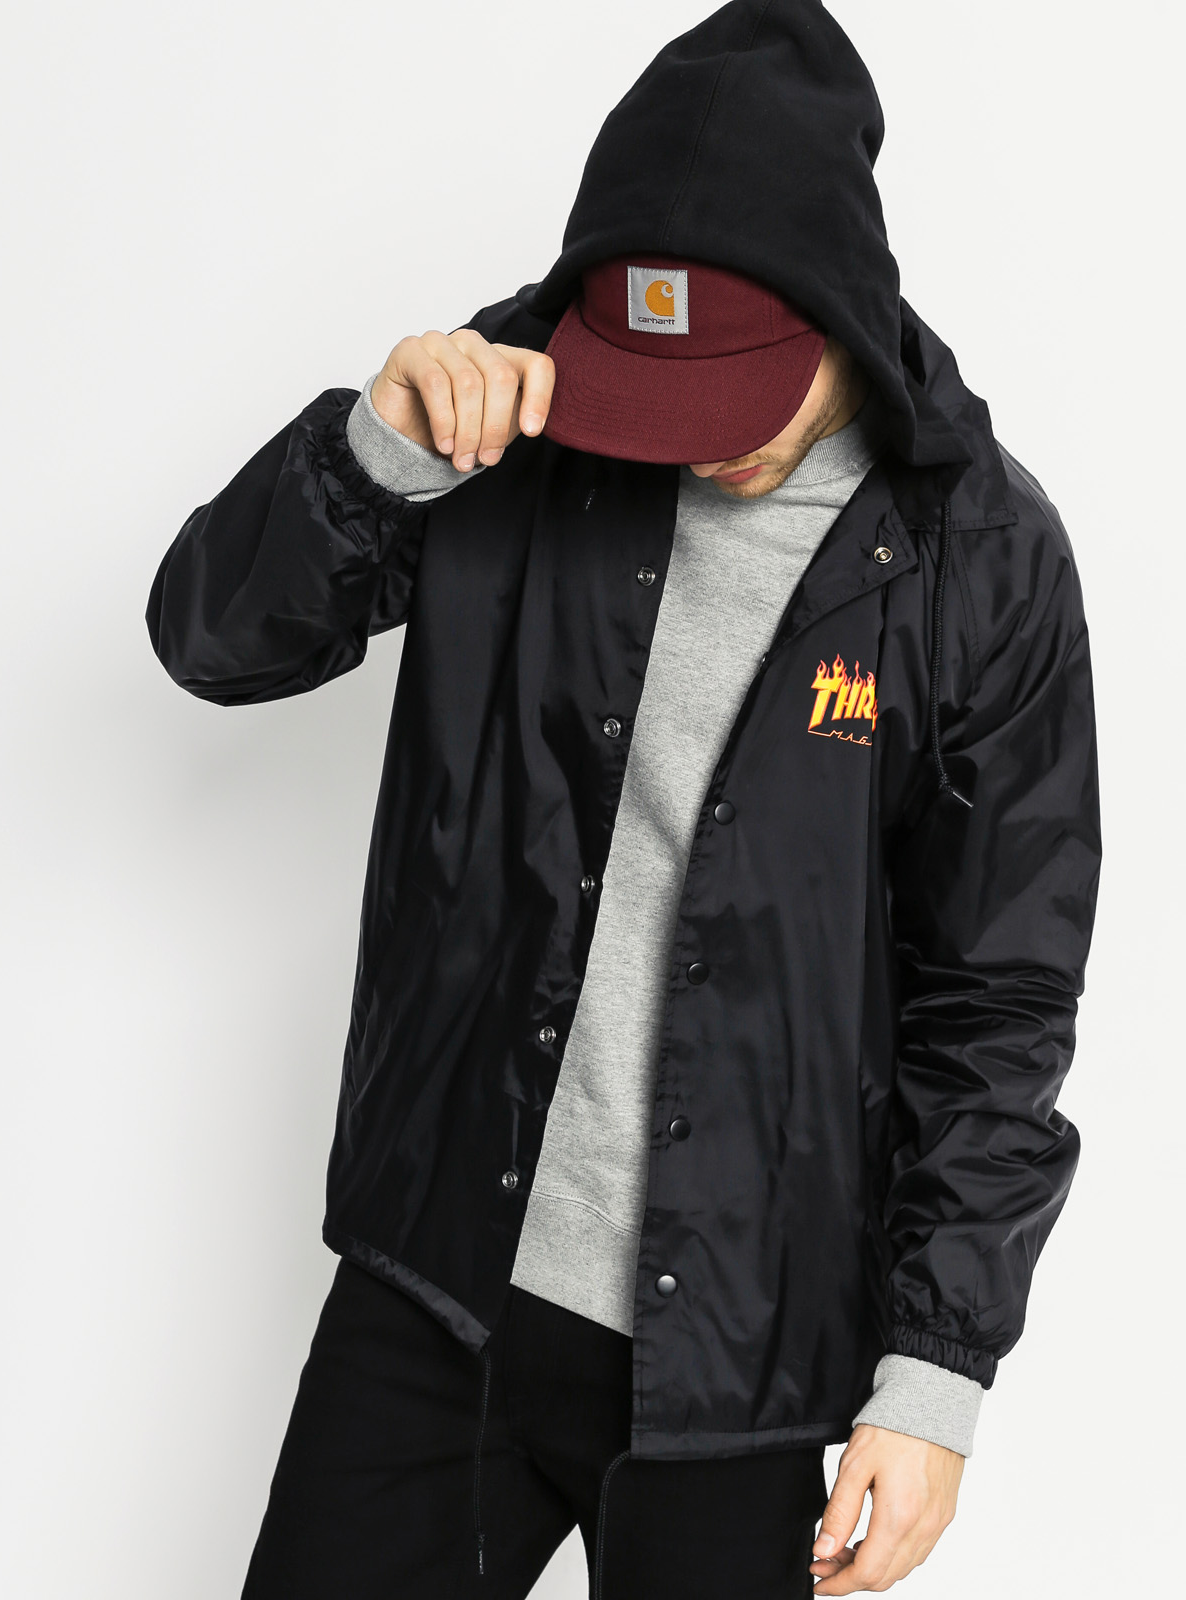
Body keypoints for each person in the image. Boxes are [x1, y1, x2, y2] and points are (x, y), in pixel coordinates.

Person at [146, 2, 1101, 1595]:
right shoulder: (505, 412)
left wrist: (938, 1371)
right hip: (438, 1284)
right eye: (650, 386)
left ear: (843, 309)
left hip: (744, 1362)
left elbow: (999, 995)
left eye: (730, 391)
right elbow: (208, 642)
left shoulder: (982, 560)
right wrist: (372, 457)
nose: (689, 443)